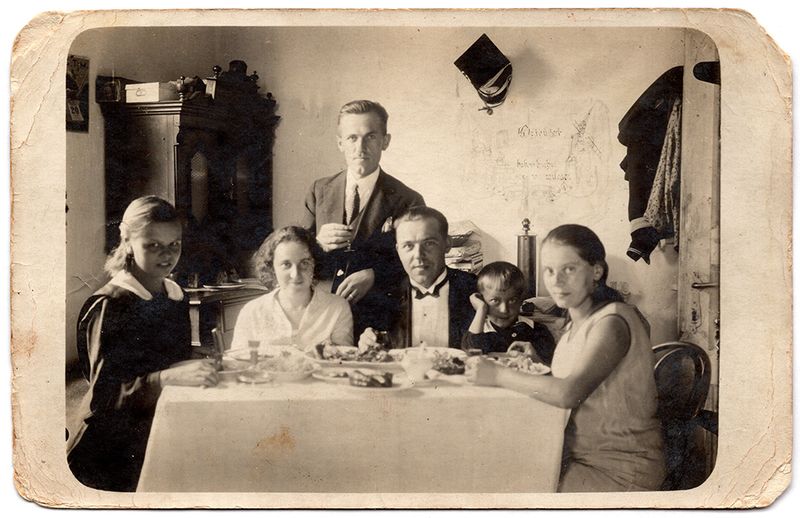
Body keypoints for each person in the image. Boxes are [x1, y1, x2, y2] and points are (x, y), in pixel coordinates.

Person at [472, 224, 665, 492]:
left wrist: (497, 374)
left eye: (569, 269)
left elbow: (568, 394)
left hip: (621, 470)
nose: (556, 281)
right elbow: (587, 390)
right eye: (549, 271)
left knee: (500, 485)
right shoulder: (577, 323)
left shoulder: (612, 321)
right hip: (581, 459)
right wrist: (541, 365)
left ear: (596, 270)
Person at [67, 196, 218, 492]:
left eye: (175, 244)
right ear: (127, 240)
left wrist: (198, 360)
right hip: (108, 451)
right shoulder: (112, 305)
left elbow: (166, 357)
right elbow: (104, 398)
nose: (167, 255)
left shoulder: (174, 294)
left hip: (157, 424)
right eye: (153, 245)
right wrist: (165, 378)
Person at [301, 100, 424, 337]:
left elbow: (420, 262)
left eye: (370, 137)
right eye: (352, 138)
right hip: (323, 315)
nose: (361, 147)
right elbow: (296, 251)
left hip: (379, 318)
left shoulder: (408, 199)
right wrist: (317, 242)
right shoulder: (318, 190)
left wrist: (375, 274)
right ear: (340, 143)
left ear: (385, 141)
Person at [359, 206, 476, 350]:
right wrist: (368, 339)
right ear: (398, 250)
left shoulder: (475, 289)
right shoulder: (383, 295)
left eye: (428, 243)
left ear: (447, 244)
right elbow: (374, 343)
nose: (418, 255)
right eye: (408, 246)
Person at [230, 226, 353, 352]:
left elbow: (345, 363)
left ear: (315, 264)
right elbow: (238, 364)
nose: (295, 274)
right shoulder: (252, 312)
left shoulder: (337, 308)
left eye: (304, 263)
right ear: (272, 268)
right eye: (286, 265)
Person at [462, 261, 556, 365]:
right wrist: (481, 309)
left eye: (512, 300)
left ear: (521, 300)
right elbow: (470, 354)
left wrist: (535, 359)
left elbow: (550, 371)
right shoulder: (477, 329)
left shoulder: (536, 331)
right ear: (482, 300)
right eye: (495, 301)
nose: (504, 310)